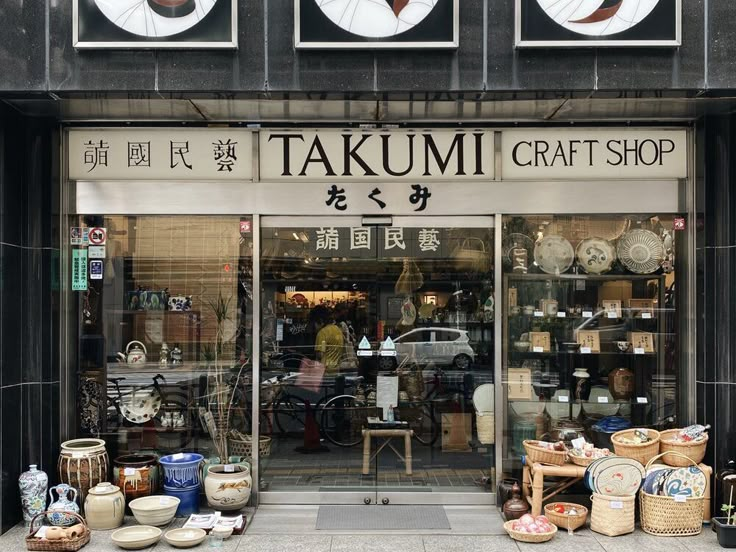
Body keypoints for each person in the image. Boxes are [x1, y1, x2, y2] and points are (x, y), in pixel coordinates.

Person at [310, 305, 344, 374]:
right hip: (336, 372)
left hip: (324, 374)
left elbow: (320, 356)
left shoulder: (322, 333)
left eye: (314, 323)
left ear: (320, 320)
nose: (314, 327)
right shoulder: (338, 330)